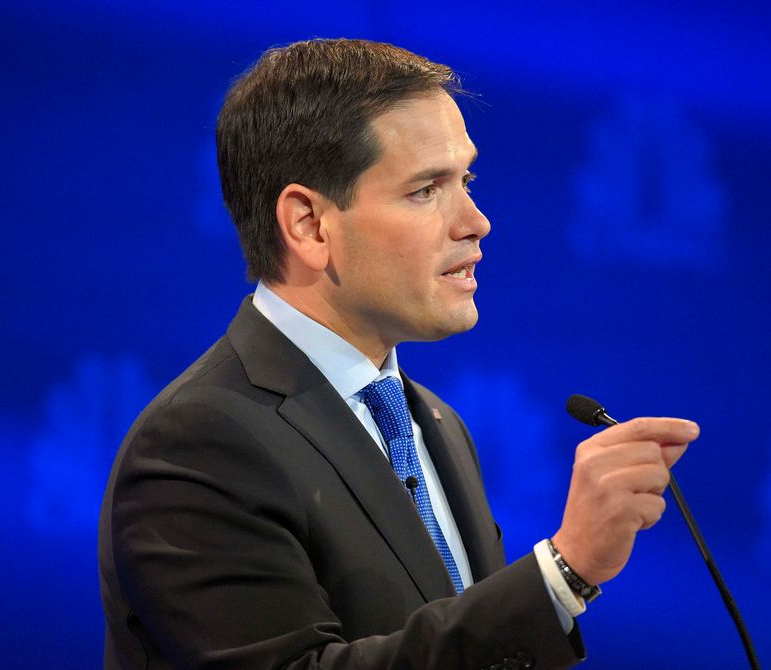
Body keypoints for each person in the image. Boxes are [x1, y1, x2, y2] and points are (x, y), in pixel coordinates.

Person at [98, 38, 699, 670]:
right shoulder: (199, 441)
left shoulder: (437, 424)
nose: (476, 221)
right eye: (426, 190)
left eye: (466, 180)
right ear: (308, 224)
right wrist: (562, 573)